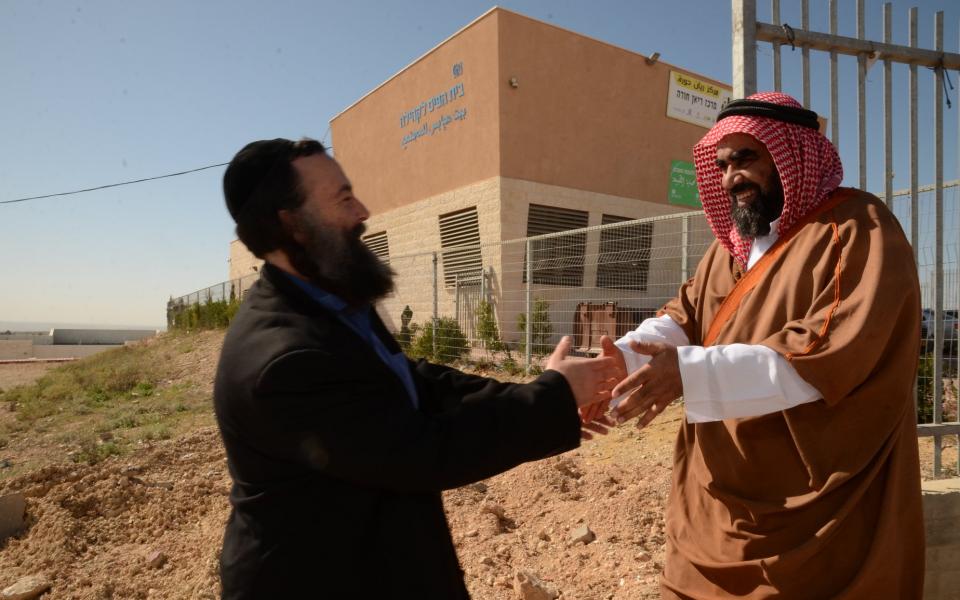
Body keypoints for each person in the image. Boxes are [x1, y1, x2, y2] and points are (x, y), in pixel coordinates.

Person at [213, 137, 617, 599]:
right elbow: (420, 451)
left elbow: (410, 379)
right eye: (343, 198)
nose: (363, 211)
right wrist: (552, 399)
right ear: (291, 223)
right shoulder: (286, 360)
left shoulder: (325, 303)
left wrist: (542, 394)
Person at [607, 92, 924, 598]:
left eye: (747, 157)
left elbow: (823, 352)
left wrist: (687, 373)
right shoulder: (729, 250)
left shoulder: (856, 228)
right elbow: (685, 315)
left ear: (790, 155)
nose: (732, 175)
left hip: (814, 507)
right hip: (717, 499)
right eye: (723, 163)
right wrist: (618, 358)